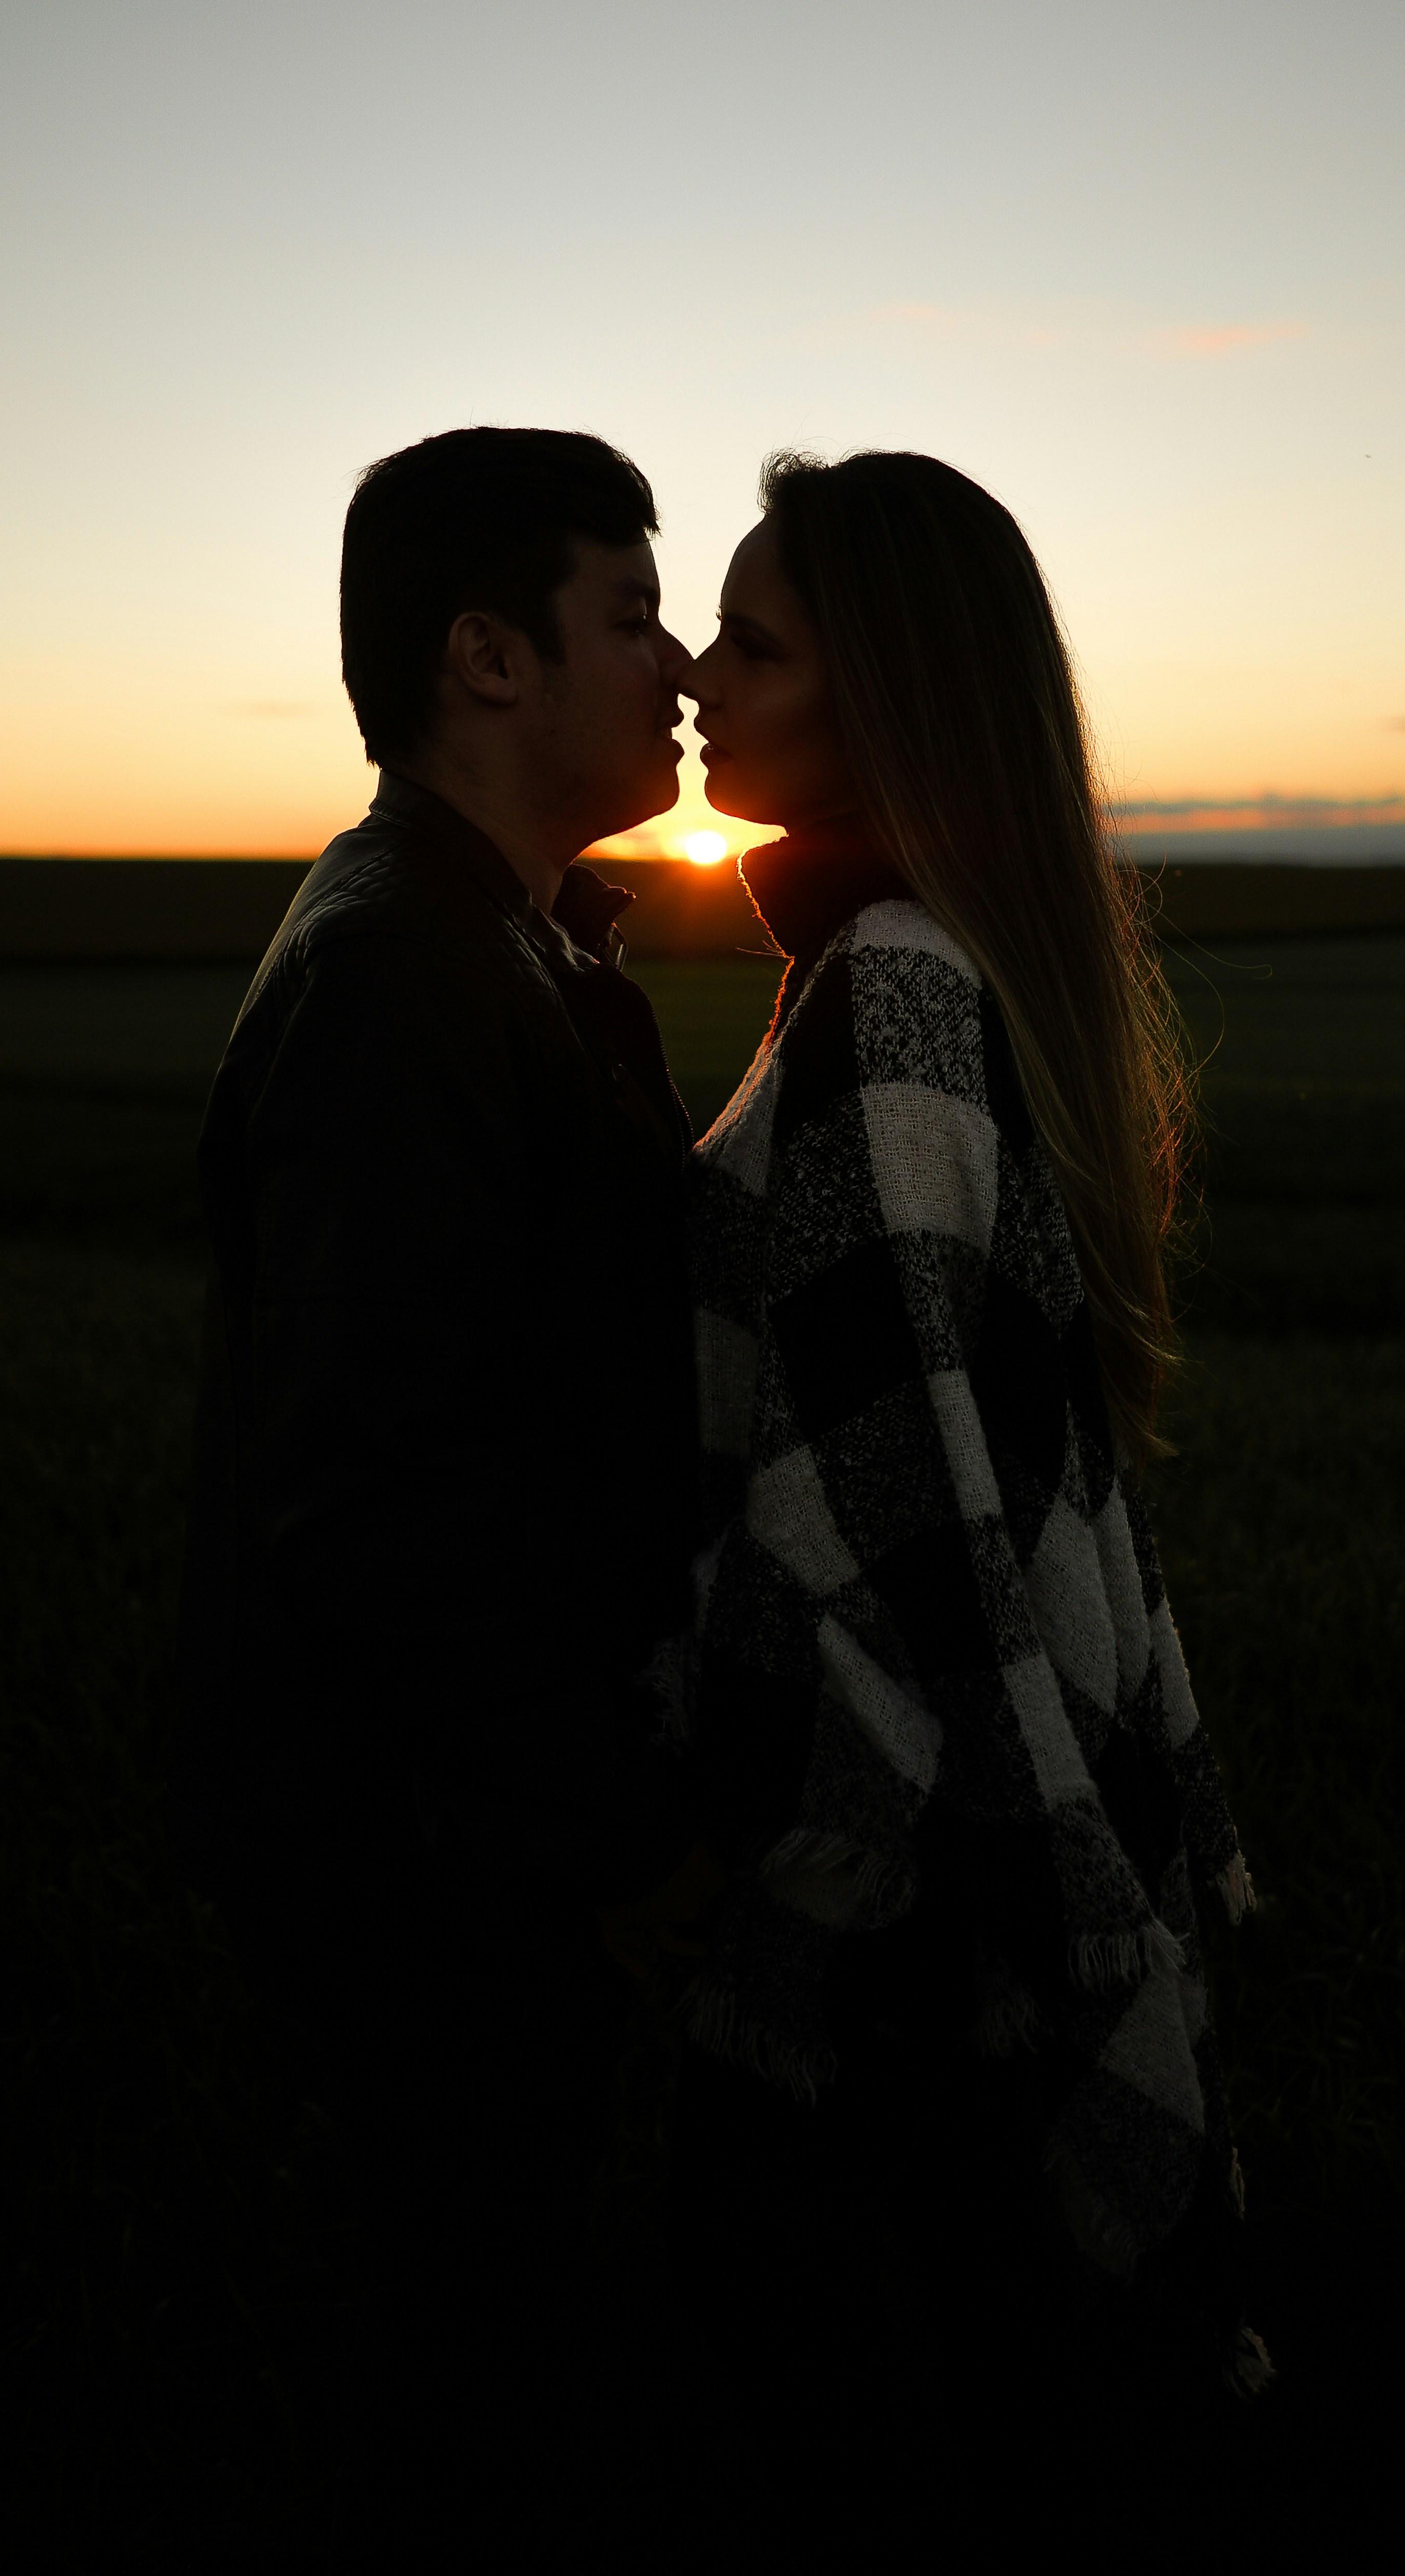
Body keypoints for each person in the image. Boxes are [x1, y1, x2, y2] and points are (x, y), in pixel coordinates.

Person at [658, 449, 1271, 2552]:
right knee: (985, 2376)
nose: (695, 686)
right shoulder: (911, 955)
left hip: (886, 1849)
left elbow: (910, 1478)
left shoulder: (894, 979)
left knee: (889, 2405)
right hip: (945, 1832)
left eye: (753, 643)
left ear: (888, 686)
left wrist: (848, 1830)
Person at [167, 426, 723, 2552]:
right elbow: (377, 1511)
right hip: (423, 1870)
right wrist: (625, 1837)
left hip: (479, 1843)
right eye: (632, 610)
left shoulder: (517, 941)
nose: (674, 665)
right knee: (459, 2402)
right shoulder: (399, 967)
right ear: (488, 656)